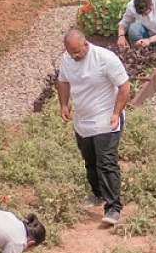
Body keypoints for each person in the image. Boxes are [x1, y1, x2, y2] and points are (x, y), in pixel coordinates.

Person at [55, 27, 131, 226]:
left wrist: (116, 113)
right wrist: (63, 104)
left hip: (106, 117)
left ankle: (113, 207)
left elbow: (124, 86)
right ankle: (97, 194)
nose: (74, 56)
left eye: (77, 52)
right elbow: (62, 81)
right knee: (89, 159)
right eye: (71, 53)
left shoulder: (105, 58)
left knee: (106, 162)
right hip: (83, 119)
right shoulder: (67, 59)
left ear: (85, 45)